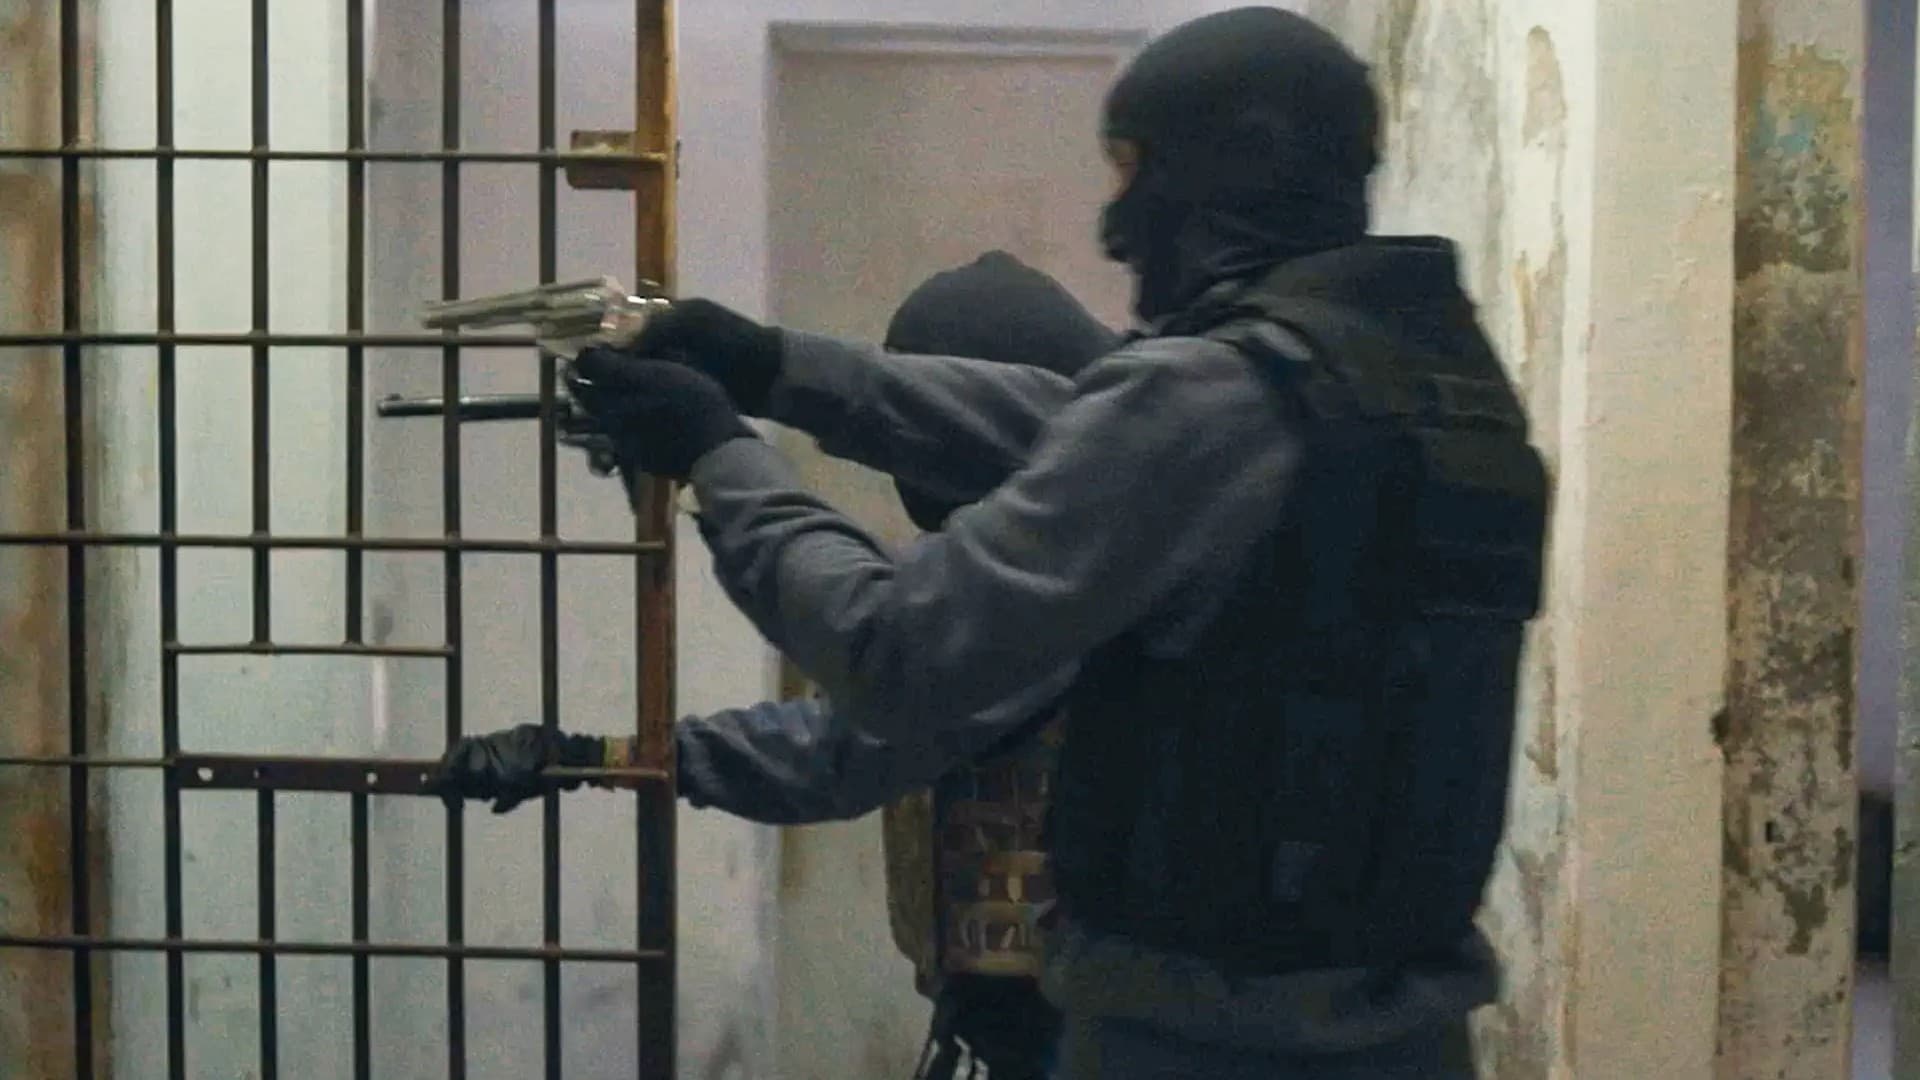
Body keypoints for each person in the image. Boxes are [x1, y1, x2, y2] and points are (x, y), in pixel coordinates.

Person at [554, 8, 1551, 1077]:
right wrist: (769, 365)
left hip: (1195, 1046)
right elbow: (1074, 421)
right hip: (1410, 1040)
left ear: (1230, 170)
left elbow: (894, 650)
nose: (1117, 230)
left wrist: (717, 455)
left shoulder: (1211, 399)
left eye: (1133, 172)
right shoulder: (1436, 392)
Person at [431, 252, 1120, 1080]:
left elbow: (845, 741)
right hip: (1040, 1027)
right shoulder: (1097, 553)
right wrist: (601, 755)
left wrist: (713, 454)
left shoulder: (1074, 588)